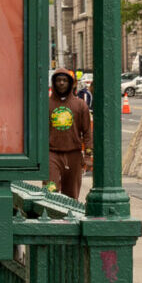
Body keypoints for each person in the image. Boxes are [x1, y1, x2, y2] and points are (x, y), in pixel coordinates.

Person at [48, 68, 92, 198]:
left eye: (65, 80)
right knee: (50, 191)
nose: (61, 83)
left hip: (73, 154)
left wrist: (88, 155)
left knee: (71, 195)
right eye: (58, 80)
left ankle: (69, 218)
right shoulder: (46, 104)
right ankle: (51, 217)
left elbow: (87, 132)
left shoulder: (80, 105)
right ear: (54, 83)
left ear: (70, 83)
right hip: (52, 154)